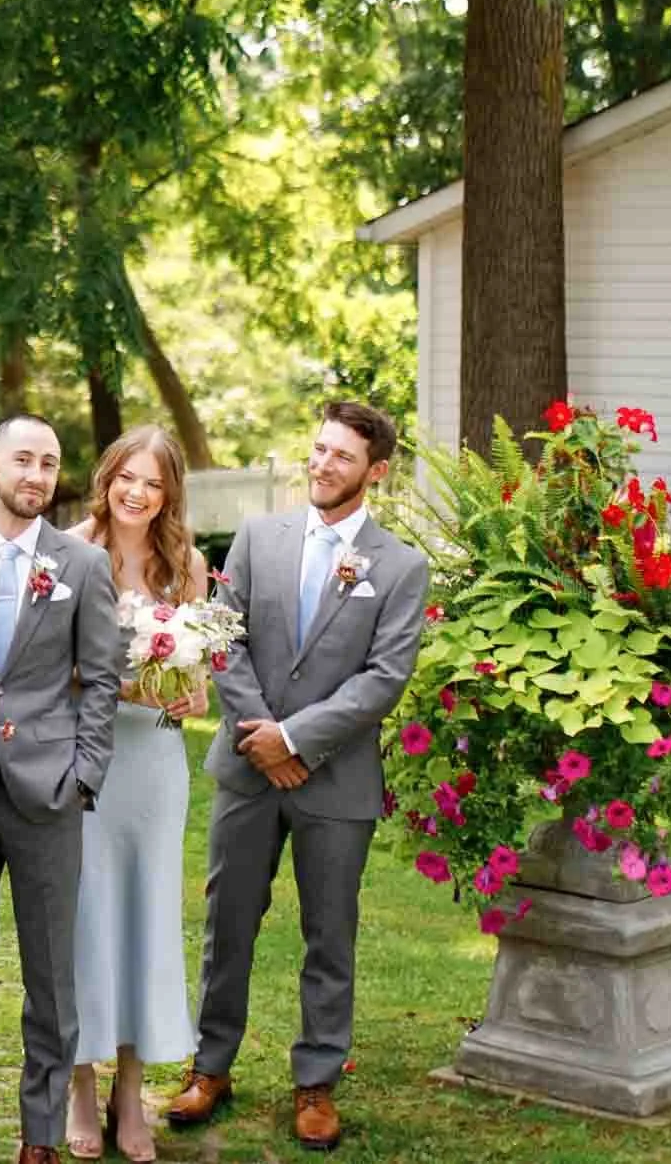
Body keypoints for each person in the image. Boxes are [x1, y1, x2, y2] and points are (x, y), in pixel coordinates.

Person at [166, 400, 429, 1154]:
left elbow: (384, 678)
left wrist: (297, 738)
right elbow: (225, 638)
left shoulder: (402, 566)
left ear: (375, 471)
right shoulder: (258, 536)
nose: (322, 464)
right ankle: (210, 1066)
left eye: (342, 457)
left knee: (329, 933)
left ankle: (316, 1080)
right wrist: (262, 738)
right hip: (249, 767)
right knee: (229, 922)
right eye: (318, 450)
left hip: (336, 781)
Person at [0, 415, 121, 1164]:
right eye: (23, 459)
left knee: (51, 977)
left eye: (49, 462)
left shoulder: (82, 563)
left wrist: (86, 774)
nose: (37, 474)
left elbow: (102, 678)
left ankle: (41, 1135)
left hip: (51, 793)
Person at [61, 426, 210, 1161]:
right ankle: (81, 1087)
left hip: (154, 761)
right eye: (128, 476)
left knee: (145, 918)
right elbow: (42, 666)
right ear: (108, 476)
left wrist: (186, 695)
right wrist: (116, 682)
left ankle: (131, 1091)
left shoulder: (187, 566)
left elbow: (202, 682)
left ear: (169, 492)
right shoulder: (69, 550)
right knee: (88, 918)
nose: (137, 492)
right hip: (87, 758)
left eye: (153, 483)